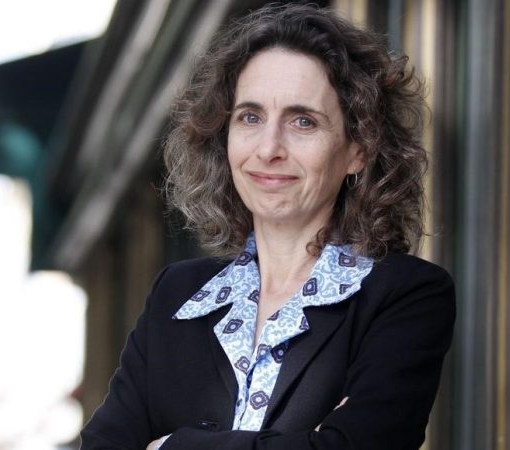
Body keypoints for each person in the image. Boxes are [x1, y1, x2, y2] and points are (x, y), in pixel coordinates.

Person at [80, 4, 454, 450]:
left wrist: (173, 446)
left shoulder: (405, 297)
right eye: (250, 117)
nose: (269, 148)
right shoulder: (176, 296)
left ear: (359, 148)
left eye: (303, 121)